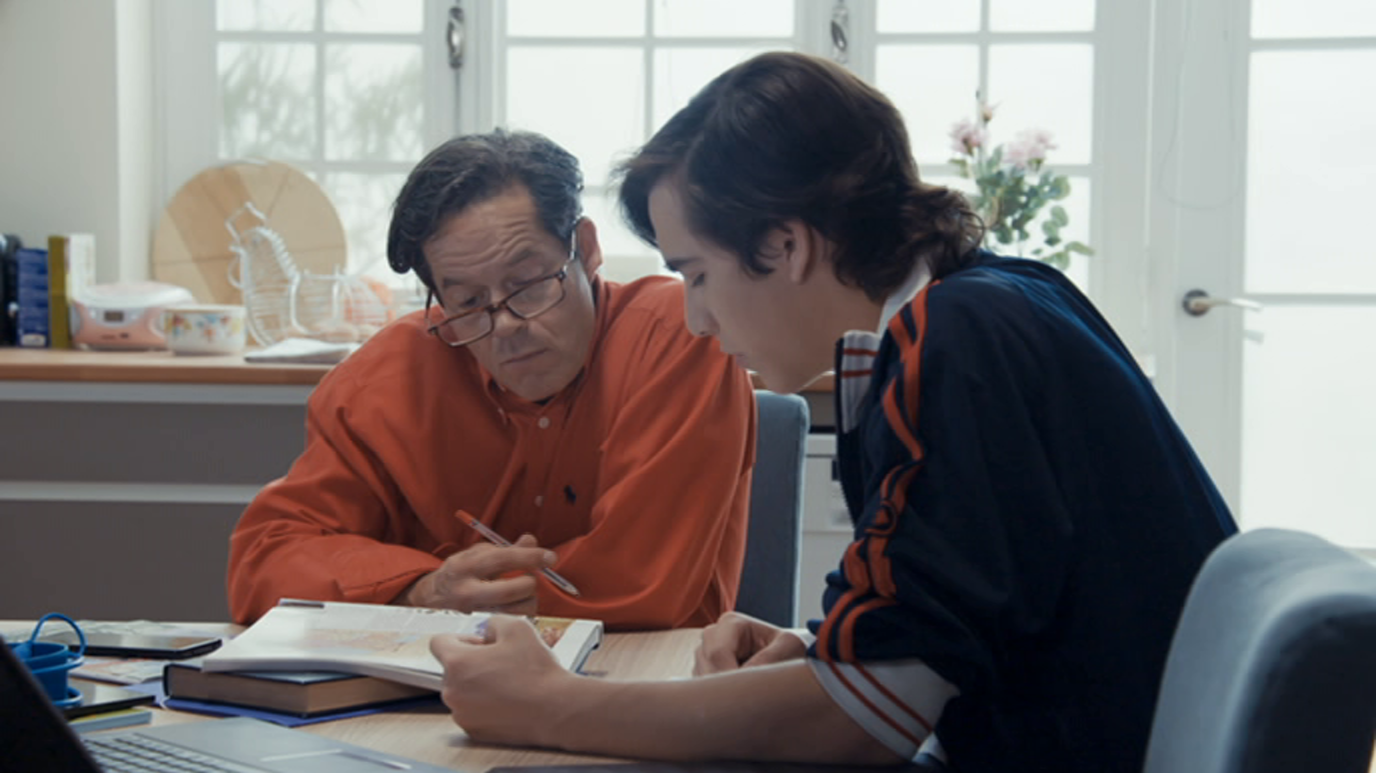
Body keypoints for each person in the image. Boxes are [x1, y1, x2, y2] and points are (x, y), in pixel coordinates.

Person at [426, 53, 1237, 771]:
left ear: (786, 245)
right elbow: (964, 626)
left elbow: (869, 719)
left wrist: (551, 706)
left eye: (698, 273)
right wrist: (823, 650)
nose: (696, 319)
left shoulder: (950, 344)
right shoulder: (992, 300)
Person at [227, 130, 757, 631]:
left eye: (528, 284)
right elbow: (264, 561)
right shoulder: (382, 382)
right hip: (437, 683)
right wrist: (424, 589)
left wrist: (464, 594)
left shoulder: (681, 337)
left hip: (645, 677)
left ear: (586, 248)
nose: (505, 326)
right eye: (468, 301)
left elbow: (643, 582)